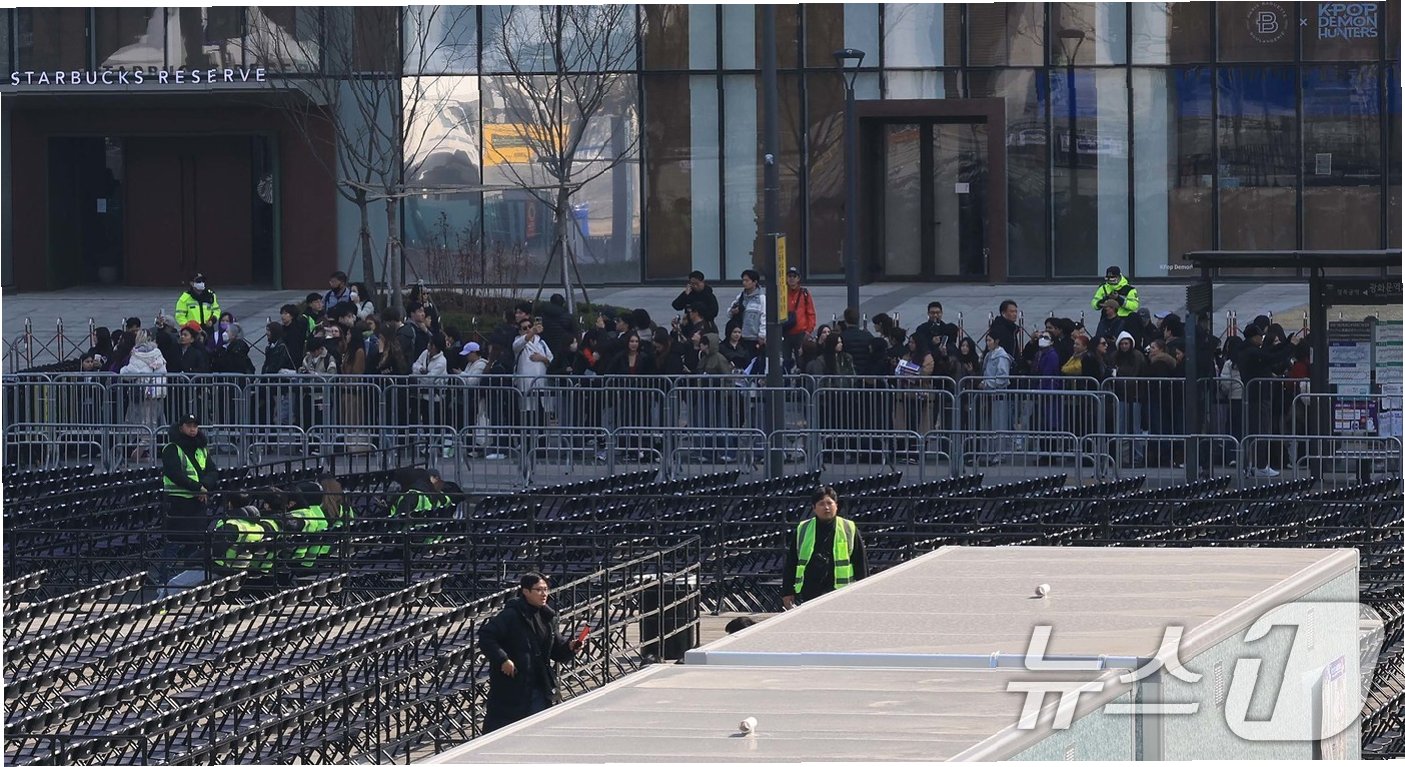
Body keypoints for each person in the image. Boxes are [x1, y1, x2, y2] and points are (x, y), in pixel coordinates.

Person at [478, 572, 585, 733]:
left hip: (539, 684)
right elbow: (486, 636)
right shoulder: (511, 615)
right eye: (539, 590)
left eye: (546, 589)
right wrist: (503, 659)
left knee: (536, 731)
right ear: (526, 591)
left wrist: (570, 648)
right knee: (506, 731)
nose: (544, 594)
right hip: (513, 686)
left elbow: (556, 650)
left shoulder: (548, 617)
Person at [781, 487, 866, 609]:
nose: (826, 507)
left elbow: (860, 562)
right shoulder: (803, 529)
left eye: (830, 503)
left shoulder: (848, 528)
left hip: (840, 590)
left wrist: (863, 591)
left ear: (836, 506)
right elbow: (792, 562)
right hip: (810, 589)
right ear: (814, 508)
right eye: (821, 504)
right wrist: (787, 591)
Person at [158, 414, 217, 583]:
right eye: (189, 425)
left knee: (193, 542)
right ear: (181, 427)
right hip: (177, 502)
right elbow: (175, 474)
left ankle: (184, 580)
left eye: (195, 426)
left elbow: (212, 471)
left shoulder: (202, 449)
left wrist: (204, 486)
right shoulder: (172, 449)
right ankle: (164, 580)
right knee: (173, 542)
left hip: (197, 503)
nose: (193, 429)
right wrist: (198, 488)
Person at [782, 267, 816, 370]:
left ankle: (801, 379)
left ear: (798, 278)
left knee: (801, 361)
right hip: (785, 332)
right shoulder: (782, 292)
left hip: (801, 333)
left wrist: (809, 330)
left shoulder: (804, 293)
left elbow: (811, 313)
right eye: (789, 276)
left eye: (794, 276)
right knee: (785, 361)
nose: (791, 278)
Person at [729, 269, 766, 344]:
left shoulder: (761, 298)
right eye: (743, 280)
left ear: (755, 282)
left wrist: (762, 335)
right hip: (740, 336)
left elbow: (764, 316)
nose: (744, 283)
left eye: (747, 280)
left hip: (755, 337)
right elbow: (729, 312)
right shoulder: (740, 297)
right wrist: (732, 311)